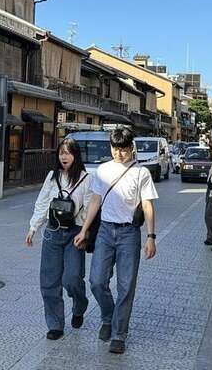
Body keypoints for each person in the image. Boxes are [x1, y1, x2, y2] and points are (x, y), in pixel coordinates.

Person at [74, 127, 158, 355]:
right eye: (115, 149)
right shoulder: (102, 170)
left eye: (123, 149)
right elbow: (95, 201)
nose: (119, 153)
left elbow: (148, 205)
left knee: (126, 286)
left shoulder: (142, 173)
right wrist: (84, 230)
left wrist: (151, 237)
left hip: (129, 234)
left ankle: (119, 334)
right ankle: (107, 317)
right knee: (97, 281)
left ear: (132, 148)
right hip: (104, 232)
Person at [26, 138, 93, 340]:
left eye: (68, 152)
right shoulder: (52, 176)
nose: (64, 156)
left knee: (72, 279)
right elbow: (43, 202)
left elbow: (90, 208)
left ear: (76, 155)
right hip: (52, 232)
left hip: (75, 233)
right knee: (49, 281)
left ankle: (80, 304)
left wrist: (86, 232)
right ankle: (55, 325)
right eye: (61, 152)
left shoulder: (86, 178)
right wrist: (33, 227)